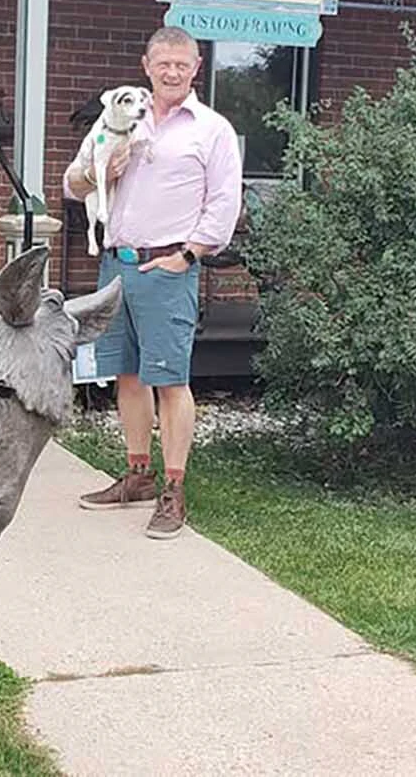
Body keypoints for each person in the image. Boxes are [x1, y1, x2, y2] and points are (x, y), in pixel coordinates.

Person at [62, 26, 243, 540]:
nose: (171, 72)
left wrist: (188, 256)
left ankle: (173, 489)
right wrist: (100, 172)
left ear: (196, 68)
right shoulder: (117, 119)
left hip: (167, 269)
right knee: (127, 375)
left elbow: (224, 203)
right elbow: (71, 184)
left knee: (170, 380)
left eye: (181, 64)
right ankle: (138, 475)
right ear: (146, 65)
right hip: (117, 266)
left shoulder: (211, 131)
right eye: (162, 62)